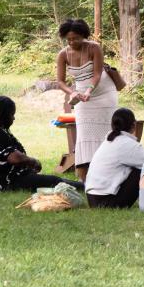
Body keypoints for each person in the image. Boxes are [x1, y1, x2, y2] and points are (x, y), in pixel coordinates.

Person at [0, 96, 83, 191]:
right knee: (54, 181)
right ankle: (86, 187)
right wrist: (33, 161)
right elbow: (14, 157)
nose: (13, 118)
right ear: (4, 115)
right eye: (11, 114)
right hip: (5, 181)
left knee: (52, 180)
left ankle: (84, 186)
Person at [54, 19, 118, 182]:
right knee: (83, 134)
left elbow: (97, 73)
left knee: (107, 132)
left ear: (84, 36)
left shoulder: (94, 48)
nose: (72, 42)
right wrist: (73, 92)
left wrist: (89, 90)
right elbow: (60, 81)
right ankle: (85, 177)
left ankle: (109, 171)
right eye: (68, 39)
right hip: (81, 96)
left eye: (75, 38)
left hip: (103, 92)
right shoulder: (63, 54)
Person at [85, 108, 144, 208]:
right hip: (107, 202)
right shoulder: (128, 144)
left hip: (92, 200)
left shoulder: (109, 141)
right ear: (134, 125)